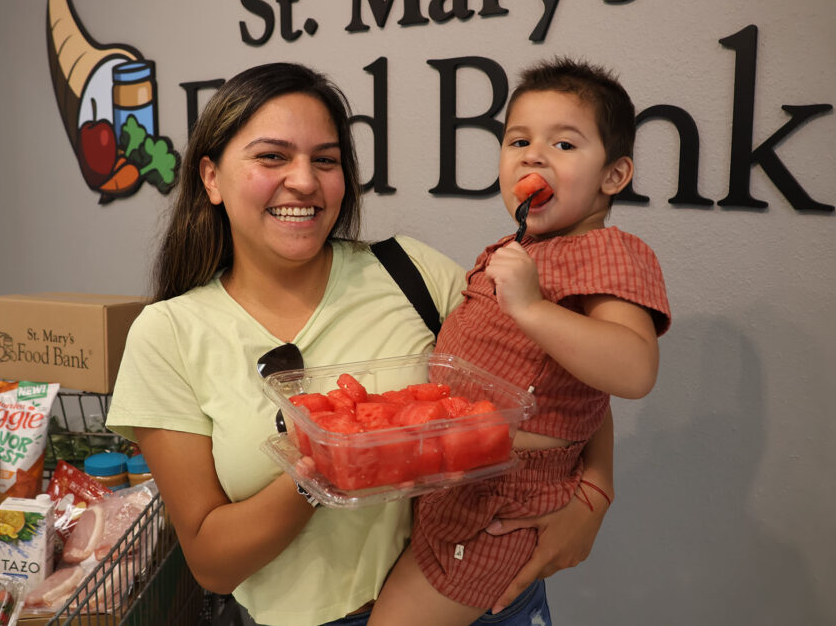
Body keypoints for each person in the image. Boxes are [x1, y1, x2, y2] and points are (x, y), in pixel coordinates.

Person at [105, 62, 617, 626]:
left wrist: (595, 494)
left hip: (480, 600)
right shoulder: (168, 333)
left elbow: (556, 376)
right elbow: (212, 564)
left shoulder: (412, 272)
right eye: (272, 156)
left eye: (325, 160)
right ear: (211, 177)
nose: (303, 181)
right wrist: (325, 464)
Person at [368, 57, 672, 625]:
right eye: (518, 140)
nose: (533, 155)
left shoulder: (611, 252)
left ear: (614, 175)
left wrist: (530, 308)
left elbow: (634, 370)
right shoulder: (518, 250)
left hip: (505, 502)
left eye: (563, 145)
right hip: (457, 481)